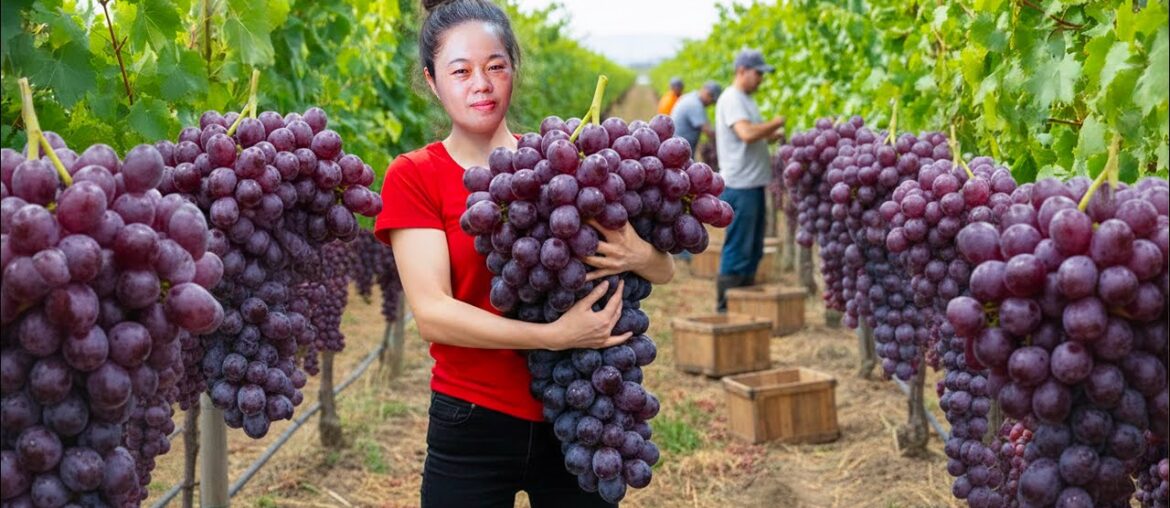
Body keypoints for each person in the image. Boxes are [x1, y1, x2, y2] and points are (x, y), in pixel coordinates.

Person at [374, 1, 675, 506]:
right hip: (471, 421)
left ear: (513, 67)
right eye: (461, 70)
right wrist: (554, 335)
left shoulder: (562, 170)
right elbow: (433, 314)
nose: (481, 83)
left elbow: (661, 270)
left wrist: (635, 252)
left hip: (581, 419)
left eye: (495, 66)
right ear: (431, 80)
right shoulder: (414, 174)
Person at [713, 49, 785, 312]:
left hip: (752, 185)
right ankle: (725, 309)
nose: (761, 79)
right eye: (758, 74)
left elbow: (752, 132)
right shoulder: (732, 98)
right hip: (739, 186)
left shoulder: (745, 99)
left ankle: (741, 308)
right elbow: (745, 133)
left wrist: (769, 134)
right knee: (738, 250)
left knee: (752, 250)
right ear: (742, 70)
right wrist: (776, 123)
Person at [670, 80, 722, 151]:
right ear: (708, 94)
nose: (711, 104)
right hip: (678, 148)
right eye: (712, 101)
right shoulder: (695, 105)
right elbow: (709, 131)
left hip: (676, 144)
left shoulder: (691, 97)